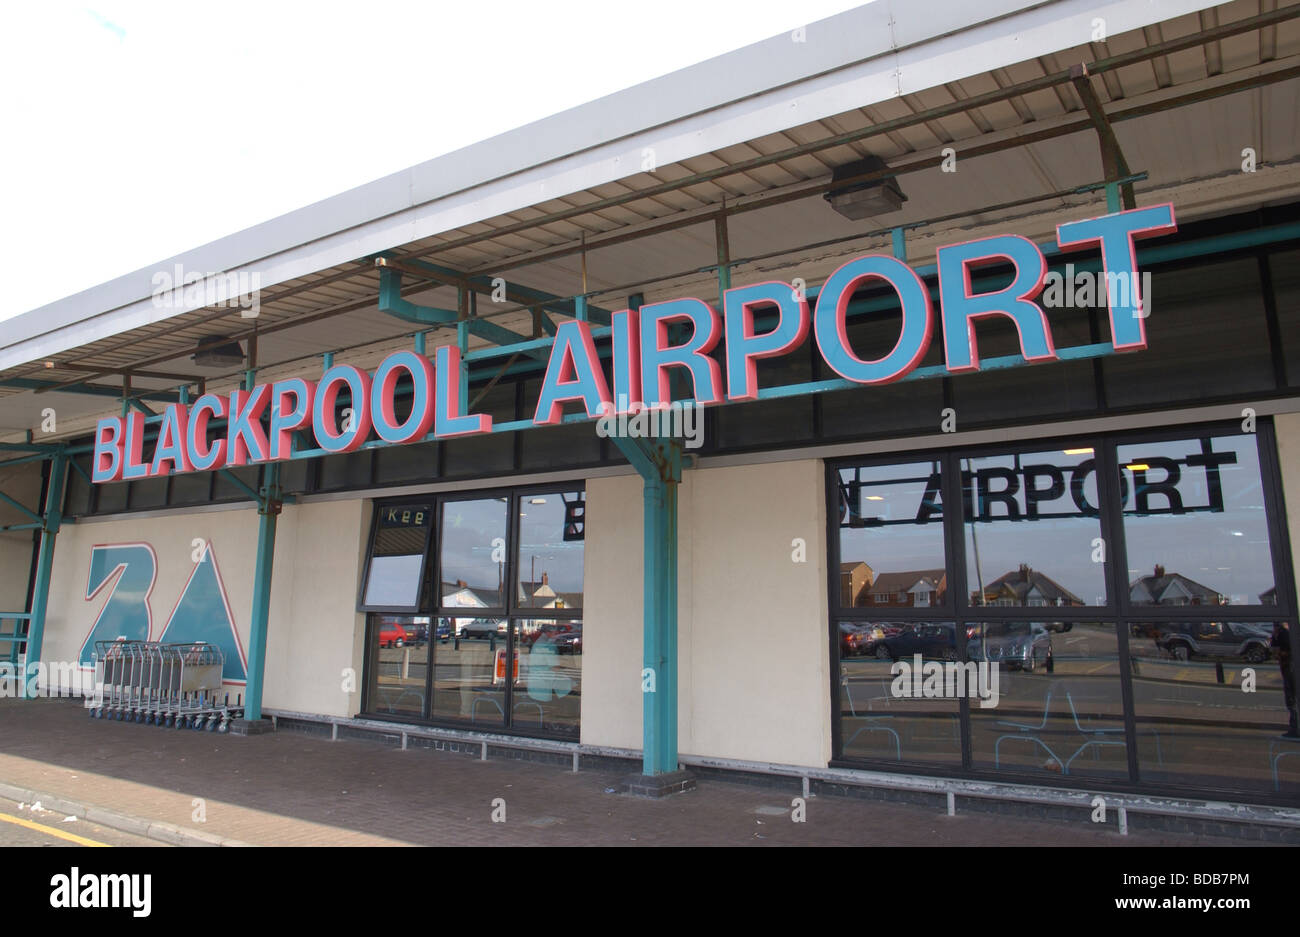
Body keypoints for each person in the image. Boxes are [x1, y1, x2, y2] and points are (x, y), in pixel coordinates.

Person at [1272, 622, 1298, 739]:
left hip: (1290, 669)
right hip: (1289, 668)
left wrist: (1280, 653)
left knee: (1292, 700)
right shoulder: (1284, 632)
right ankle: (1294, 728)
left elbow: (1282, 650)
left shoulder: (1284, 633)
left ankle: (1295, 729)